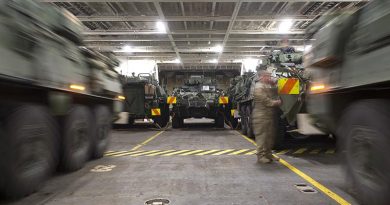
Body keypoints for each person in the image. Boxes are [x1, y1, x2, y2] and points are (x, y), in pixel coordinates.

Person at [252, 69, 282, 164]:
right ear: (262, 77)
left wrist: (274, 84)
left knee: (269, 137)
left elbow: (274, 92)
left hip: (268, 115)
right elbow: (265, 101)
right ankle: (260, 156)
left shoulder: (265, 85)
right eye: (267, 76)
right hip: (261, 116)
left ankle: (268, 154)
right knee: (262, 137)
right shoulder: (258, 87)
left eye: (269, 76)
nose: (269, 78)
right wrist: (276, 103)